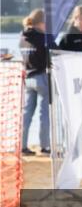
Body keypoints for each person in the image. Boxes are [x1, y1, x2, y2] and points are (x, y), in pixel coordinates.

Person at [19, 9, 51, 156]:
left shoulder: (22, 36)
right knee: (44, 114)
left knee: (26, 113)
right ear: (42, 22)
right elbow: (54, 52)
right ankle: (44, 147)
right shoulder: (43, 38)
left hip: (28, 77)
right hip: (41, 77)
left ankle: (22, 146)